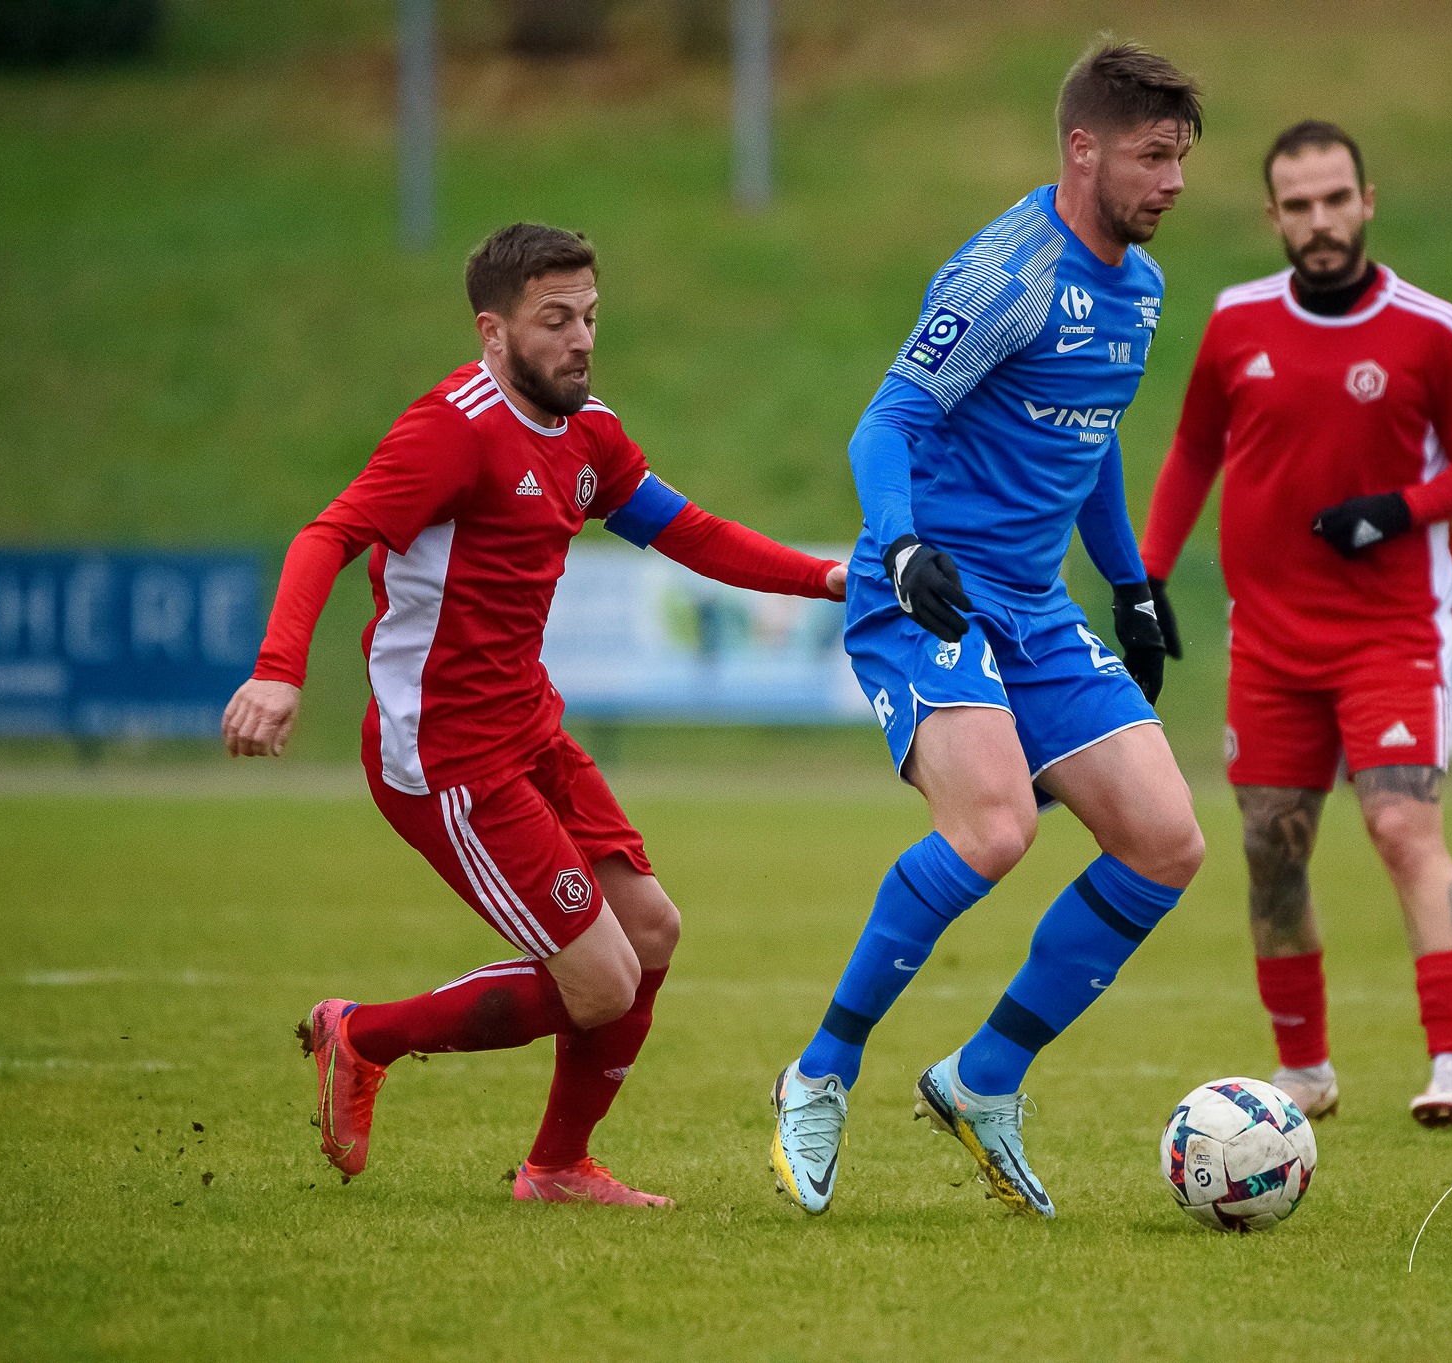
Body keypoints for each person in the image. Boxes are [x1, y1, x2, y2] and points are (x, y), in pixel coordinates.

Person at [221, 223, 846, 1204]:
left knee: (650, 935)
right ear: (493, 331)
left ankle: (557, 1168)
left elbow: (690, 534)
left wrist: (828, 577)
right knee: (601, 980)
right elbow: (327, 533)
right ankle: (362, 1034)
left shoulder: (588, 432)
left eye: (589, 317)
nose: (580, 339)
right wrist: (276, 670)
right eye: (553, 320)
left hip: (528, 730)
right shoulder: (451, 430)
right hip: (444, 757)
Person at [767, 41, 1205, 1219]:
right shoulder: (1007, 272)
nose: (1171, 181)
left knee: (1164, 841)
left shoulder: (1142, 289)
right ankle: (818, 1072)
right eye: (1150, 156)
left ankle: (983, 1078)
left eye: (1179, 159)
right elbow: (884, 423)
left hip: (1033, 603)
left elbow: (1091, 432)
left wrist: (1131, 580)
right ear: (1082, 148)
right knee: (997, 828)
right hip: (929, 591)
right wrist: (902, 548)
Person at [1139, 120, 1452, 1129]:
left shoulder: (1434, 329)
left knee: (1399, 824)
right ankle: (1301, 1071)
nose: (1318, 222)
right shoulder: (1233, 321)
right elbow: (1189, 451)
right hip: (1266, 641)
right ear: (1272, 217)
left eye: (1333, 199)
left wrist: (1392, 510)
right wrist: (1147, 577)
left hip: (1388, 631)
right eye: (1296, 206)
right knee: (1269, 847)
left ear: (1365, 199)